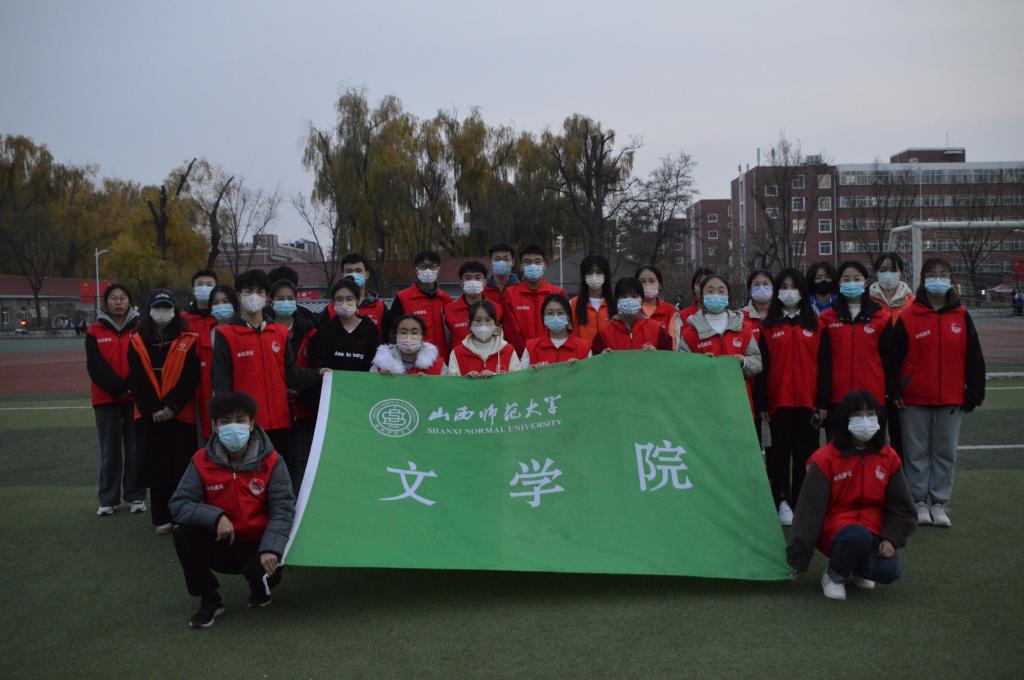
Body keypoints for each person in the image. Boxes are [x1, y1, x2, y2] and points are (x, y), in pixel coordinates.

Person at [169, 392, 294, 628]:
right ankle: (209, 599)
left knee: (262, 577)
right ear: (215, 426)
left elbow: (284, 509)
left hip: (259, 544)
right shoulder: (201, 460)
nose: (233, 427)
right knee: (183, 532)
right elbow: (179, 503)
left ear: (251, 423)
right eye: (225, 421)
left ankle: (260, 588)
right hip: (222, 540)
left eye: (240, 420)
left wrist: (271, 548)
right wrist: (216, 517)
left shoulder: (272, 461)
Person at [786, 390, 917, 601]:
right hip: (836, 530)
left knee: (888, 572)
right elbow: (809, 511)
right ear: (845, 420)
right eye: (858, 415)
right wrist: (799, 557)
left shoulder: (889, 457)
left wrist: (891, 539)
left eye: (870, 414)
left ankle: (858, 569)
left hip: (874, 531)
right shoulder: (825, 458)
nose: (865, 421)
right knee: (857, 536)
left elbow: (902, 507)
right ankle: (834, 575)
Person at [888, 258, 985, 528]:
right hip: (913, 397)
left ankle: (939, 502)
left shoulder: (961, 315)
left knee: (945, 451)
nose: (938, 279)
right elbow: (894, 357)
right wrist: (894, 389)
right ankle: (919, 501)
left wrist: (974, 392)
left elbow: (974, 357)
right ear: (923, 279)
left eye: (943, 274)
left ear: (951, 279)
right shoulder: (909, 315)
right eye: (932, 274)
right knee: (915, 451)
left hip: (951, 396)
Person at [212, 269, 322, 477]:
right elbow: (221, 385)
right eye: (248, 291)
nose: (254, 297)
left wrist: (318, 373)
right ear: (239, 295)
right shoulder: (226, 334)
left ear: (267, 298)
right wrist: (227, 422)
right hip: (247, 425)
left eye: (260, 292)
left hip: (281, 422)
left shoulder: (279, 332)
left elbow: (291, 374)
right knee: (251, 480)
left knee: (280, 478)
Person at [756, 269, 828, 526]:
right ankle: (782, 501)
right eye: (783, 287)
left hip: (808, 404)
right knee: (778, 455)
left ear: (802, 291)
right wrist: (763, 403)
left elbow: (825, 366)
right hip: (778, 405)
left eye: (793, 286)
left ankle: (800, 501)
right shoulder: (768, 328)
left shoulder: (817, 326)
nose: (789, 292)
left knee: (805, 456)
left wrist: (822, 402)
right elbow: (762, 369)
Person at [126, 289, 200, 534]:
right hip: (149, 416)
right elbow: (137, 378)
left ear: (174, 310)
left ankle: (181, 515)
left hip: (180, 414)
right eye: (158, 307)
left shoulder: (188, 338)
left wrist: (171, 406)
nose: (162, 312)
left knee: (181, 467)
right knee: (155, 467)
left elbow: (190, 377)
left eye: (167, 307)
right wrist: (153, 409)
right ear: (149, 310)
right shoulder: (136, 339)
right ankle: (161, 517)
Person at [86, 283, 146, 517]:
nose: (118, 302)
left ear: (129, 301)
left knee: (135, 449)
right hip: (105, 399)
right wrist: (118, 388)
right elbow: (95, 366)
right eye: (113, 298)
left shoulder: (141, 328)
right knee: (110, 451)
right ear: (106, 302)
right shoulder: (94, 331)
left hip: (135, 398)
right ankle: (108, 499)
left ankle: (136, 496)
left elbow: (143, 361)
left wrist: (130, 387)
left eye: (122, 298)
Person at [819, 261, 892, 418]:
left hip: (872, 396)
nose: (851, 283)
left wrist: (891, 392)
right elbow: (823, 361)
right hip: (837, 396)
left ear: (865, 282)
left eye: (857, 279)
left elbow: (889, 359)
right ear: (839, 283)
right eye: (846, 279)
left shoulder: (882, 318)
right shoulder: (827, 318)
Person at [679, 274, 762, 412]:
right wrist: (699, 363)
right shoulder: (690, 333)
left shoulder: (742, 328)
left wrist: (743, 362)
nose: (716, 295)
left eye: (721, 291)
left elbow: (757, 362)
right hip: (704, 403)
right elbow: (682, 367)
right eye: (710, 291)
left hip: (738, 402)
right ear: (702, 296)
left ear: (728, 295)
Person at [869, 251, 915, 458]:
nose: (888, 274)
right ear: (876, 273)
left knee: (902, 439)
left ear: (901, 273)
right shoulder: (866, 302)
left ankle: (900, 476)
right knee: (873, 437)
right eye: (883, 269)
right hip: (874, 377)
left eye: (892, 270)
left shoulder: (912, 303)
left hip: (903, 380)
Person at [501, 243, 566, 353]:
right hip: (521, 356)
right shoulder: (510, 294)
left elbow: (564, 328)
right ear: (521, 266)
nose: (533, 265)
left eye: (537, 261)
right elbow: (511, 332)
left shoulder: (557, 293)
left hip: (551, 355)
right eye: (528, 262)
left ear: (544, 265)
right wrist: (526, 354)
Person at [306, 279, 381, 372]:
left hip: (363, 381)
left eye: (349, 299)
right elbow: (315, 361)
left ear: (357, 300)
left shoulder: (371, 330)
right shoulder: (324, 332)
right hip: (333, 381)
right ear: (333, 302)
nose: (344, 304)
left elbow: (376, 362)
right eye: (339, 299)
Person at [386, 251, 452, 355]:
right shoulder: (402, 298)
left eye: (432, 267)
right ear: (416, 270)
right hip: (413, 359)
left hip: (442, 359)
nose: (428, 270)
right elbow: (392, 330)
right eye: (423, 267)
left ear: (438, 271)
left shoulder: (446, 299)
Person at [182, 269, 219, 444]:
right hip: (191, 390)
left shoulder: (222, 318)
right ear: (193, 289)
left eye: (209, 285)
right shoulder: (183, 320)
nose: (205, 288)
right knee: (195, 440)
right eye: (200, 284)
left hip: (217, 387)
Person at [591, 278, 673, 353]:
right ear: (617, 300)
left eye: (634, 296)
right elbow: (593, 360)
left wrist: (657, 354)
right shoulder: (604, 333)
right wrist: (602, 357)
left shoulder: (657, 330)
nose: (629, 300)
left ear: (642, 300)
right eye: (624, 296)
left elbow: (669, 358)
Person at [447, 300, 521, 377]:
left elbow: (517, 380)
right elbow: (452, 383)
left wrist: (496, 378)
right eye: (478, 320)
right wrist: (465, 380)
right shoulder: (457, 353)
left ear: (496, 322)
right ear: (469, 323)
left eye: (488, 320)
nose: (483, 324)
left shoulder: (508, 350)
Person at [319, 253, 387, 334]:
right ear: (343, 275)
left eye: (358, 271)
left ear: (367, 275)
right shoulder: (331, 308)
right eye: (349, 271)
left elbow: (386, 338)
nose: (354, 275)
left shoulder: (379, 307)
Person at [522, 294, 591, 369]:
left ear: (568, 316)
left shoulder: (583, 348)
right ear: (543, 317)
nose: (555, 317)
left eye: (560, 313)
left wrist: (580, 368)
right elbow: (521, 374)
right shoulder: (531, 347)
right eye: (550, 313)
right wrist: (529, 372)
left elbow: (591, 374)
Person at [444, 260, 503, 348]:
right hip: (460, 356)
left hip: (490, 355)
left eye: (477, 277)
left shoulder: (496, 308)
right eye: (468, 278)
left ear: (484, 282)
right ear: (461, 283)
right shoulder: (449, 309)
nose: (473, 281)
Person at [371, 315, 447, 375]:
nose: (408, 337)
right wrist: (381, 380)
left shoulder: (438, 365)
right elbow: (371, 386)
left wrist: (429, 383)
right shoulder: (380, 363)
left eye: (414, 333)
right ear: (396, 336)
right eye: (403, 332)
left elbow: (446, 387)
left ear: (423, 337)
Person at [570, 255, 614, 346]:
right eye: (590, 272)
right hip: (583, 353)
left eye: (599, 272)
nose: (594, 276)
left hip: (610, 353)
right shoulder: (573, 304)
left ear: (605, 275)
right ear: (583, 276)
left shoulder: (615, 304)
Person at [637, 264, 681, 350]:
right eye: (642, 282)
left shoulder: (669, 310)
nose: (647, 285)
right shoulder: (630, 309)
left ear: (660, 285)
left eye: (652, 281)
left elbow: (673, 344)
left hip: (663, 357)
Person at [270, 278, 314, 358]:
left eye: (290, 299)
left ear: (296, 300)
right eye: (280, 299)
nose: (286, 302)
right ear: (272, 301)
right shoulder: (264, 329)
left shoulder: (307, 330)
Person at [741, 269, 774, 339]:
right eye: (756, 285)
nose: (761, 288)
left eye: (765, 284)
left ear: (773, 288)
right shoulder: (741, 317)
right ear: (750, 290)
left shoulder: (782, 315)